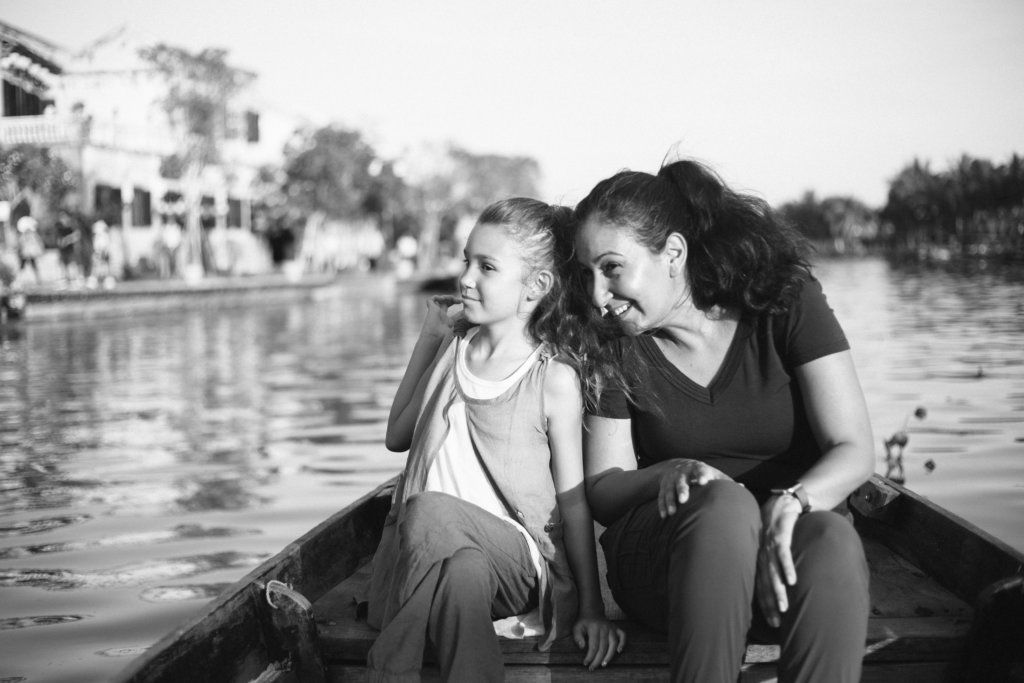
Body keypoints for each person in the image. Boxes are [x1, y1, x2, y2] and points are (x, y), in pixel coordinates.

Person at [570, 159, 874, 683]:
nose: (597, 295)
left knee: (831, 540)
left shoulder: (787, 303)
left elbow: (853, 448)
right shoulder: (615, 343)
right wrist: (669, 473)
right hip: (667, 561)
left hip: (778, 556)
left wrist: (791, 500)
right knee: (723, 506)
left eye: (612, 268)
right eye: (587, 273)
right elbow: (603, 488)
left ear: (673, 253)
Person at [365, 198, 625, 682]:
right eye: (466, 260)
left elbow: (573, 506)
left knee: (428, 509)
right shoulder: (453, 347)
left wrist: (591, 608)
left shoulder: (552, 378)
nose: (465, 277)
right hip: (434, 560)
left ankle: (388, 672)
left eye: (486, 267)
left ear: (536, 287)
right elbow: (396, 436)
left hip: (515, 564)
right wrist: (429, 338)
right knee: (459, 570)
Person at [16, 215, 44, 284]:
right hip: (25, 253)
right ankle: (19, 280)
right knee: (22, 267)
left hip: (30, 253)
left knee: (33, 266)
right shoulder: (23, 236)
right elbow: (20, 244)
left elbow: (38, 242)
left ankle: (38, 280)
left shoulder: (33, 235)